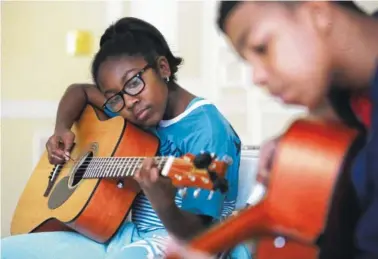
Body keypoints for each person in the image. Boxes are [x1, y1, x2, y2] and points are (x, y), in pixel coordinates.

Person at [1, 17, 251, 259]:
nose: (129, 102)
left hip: (176, 241)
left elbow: (200, 238)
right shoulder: (133, 109)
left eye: (133, 83)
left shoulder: (207, 130)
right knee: (7, 250)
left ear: (163, 68)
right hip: (123, 234)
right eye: (115, 97)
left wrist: (164, 203)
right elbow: (79, 92)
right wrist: (62, 128)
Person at [165, 1, 377, 259]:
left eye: (261, 48)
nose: (256, 77)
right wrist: (300, 144)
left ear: (318, 13)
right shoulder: (347, 99)